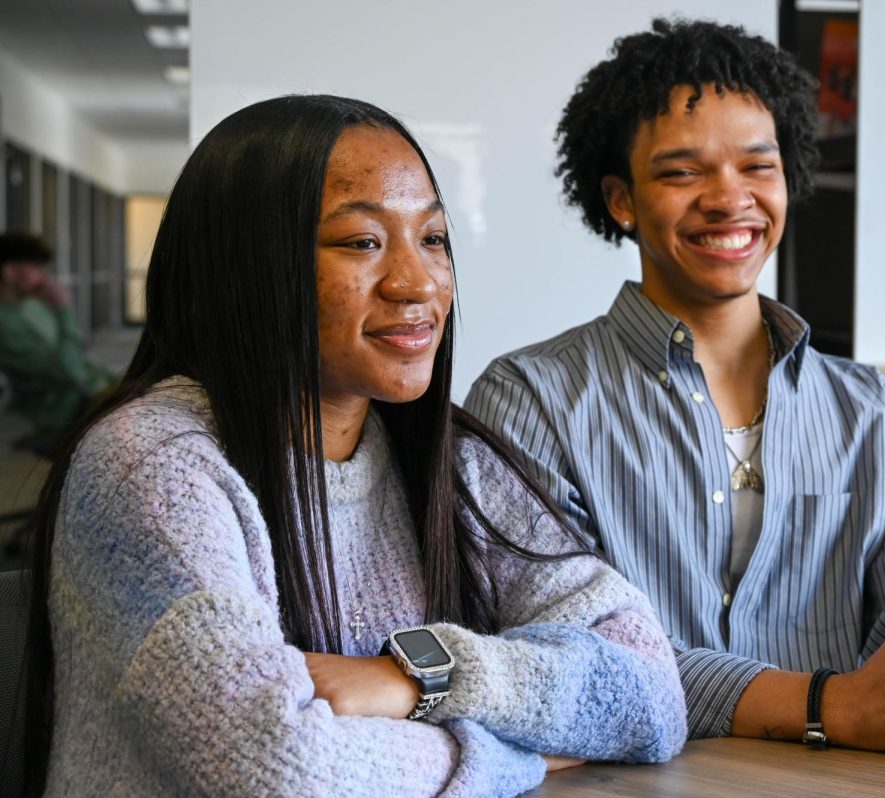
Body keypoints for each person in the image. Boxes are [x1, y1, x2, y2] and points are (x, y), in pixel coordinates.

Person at [16, 95, 686, 797]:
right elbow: (276, 767)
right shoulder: (152, 468)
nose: (417, 282)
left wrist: (419, 679)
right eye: (363, 243)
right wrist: (512, 757)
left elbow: (648, 691)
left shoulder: (452, 460)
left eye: (432, 239)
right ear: (246, 267)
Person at [465, 18, 885, 762]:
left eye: (758, 166)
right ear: (620, 199)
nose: (730, 200)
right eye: (682, 172)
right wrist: (833, 704)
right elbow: (562, 657)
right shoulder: (529, 398)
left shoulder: (874, 415)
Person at [0, 232, 113, 448]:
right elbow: (68, 370)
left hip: (90, 388)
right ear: (9, 272)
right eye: (36, 267)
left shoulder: (34, 304)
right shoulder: (6, 324)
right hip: (71, 402)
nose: (44, 276)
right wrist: (63, 309)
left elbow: (76, 357)